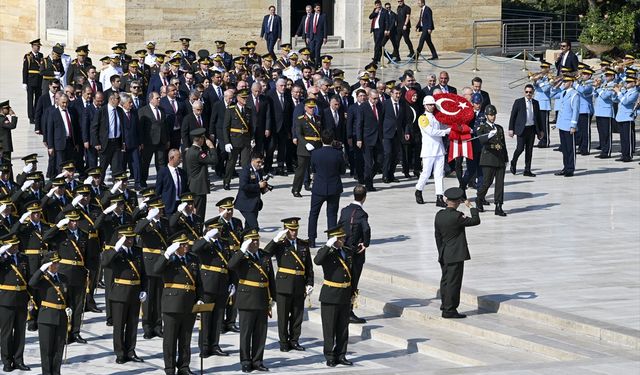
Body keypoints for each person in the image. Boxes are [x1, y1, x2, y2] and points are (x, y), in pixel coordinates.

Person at [155, 231, 203, 375]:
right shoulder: (167, 259)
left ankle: (184, 366)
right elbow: (156, 270)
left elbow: (199, 281)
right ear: (175, 246)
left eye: (186, 244)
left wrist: (200, 297)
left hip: (189, 303)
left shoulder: (193, 259)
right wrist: (166, 254)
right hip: (172, 304)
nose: (186, 246)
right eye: (182, 244)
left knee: (185, 338)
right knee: (170, 339)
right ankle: (169, 368)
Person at [228, 228, 276, 373]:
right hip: (247, 299)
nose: (255, 242)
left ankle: (257, 360)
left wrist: (273, 296)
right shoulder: (241, 257)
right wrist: (242, 251)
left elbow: (270, 278)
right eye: (252, 240)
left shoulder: (264, 255)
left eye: (257, 239)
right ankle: (245, 361)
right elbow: (230, 266)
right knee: (246, 332)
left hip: (262, 298)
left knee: (260, 333)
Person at [263, 217, 314, 352]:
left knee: (297, 316)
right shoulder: (280, 244)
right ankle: (284, 342)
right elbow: (266, 254)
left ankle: (294, 340)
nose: (294, 232)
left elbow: (308, 266)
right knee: (284, 316)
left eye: (295, 229)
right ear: (286, 230)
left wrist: (310, 282)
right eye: (291, 230)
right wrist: (275, 240)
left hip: (299, 284)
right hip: (284, 285)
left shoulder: (303, 244)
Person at [101, 225, 146, 364]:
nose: (130, 240)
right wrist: (115, 248)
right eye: (127, 238)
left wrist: (144, 289)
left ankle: (131, 351)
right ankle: (120, 353)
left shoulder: (138, 251)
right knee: (119, 326)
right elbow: (104, 263)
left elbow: (143, 272)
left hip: (135, 293)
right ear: (120, 238)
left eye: (131, 237)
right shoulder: (115, 253)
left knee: (132, 325)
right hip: (120, 293)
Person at [434, 187, 480, 319]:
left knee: (445, 281)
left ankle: (445, 304)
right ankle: (450, 309)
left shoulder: (439, 215)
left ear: (446, 200)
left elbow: (437, 236)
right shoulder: (457, 216)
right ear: (459, 201)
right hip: (455, 255)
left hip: (444, 253)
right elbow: (475, 220)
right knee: (454, 282)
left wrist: (441, 251)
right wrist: (471, 207)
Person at [314, 225, 354, 367]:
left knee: (343, 328)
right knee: (329, 327)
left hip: (344, 294)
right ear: (334, 239)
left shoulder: (347, 252)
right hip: (330, 295)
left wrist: (352, 292)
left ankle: (341, 354)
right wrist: (327, 246)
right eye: (340, 238)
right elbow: (317, 261)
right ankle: (330, 355)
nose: (343, 239)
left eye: (343, 237)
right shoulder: (327, 253)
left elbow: (351, 274)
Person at [191, 220, 231, 357]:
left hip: (222, 284)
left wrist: (232, 282)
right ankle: (204, 346)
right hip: (207, 286)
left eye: (219, 230)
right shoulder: (203, 243)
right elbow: (195, 250)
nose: (218, 232)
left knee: (218, 317)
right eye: (215, 230)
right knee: (206, 318)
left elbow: (229, 264)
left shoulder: (224, 243)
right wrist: (207, 237)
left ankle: (215, 345)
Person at [28, 251, 70, 375]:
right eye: (54, 263)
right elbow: (31, 283)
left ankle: (56, 372)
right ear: (47, 265)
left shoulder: (63, 278)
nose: (57, 266)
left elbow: (69, 297)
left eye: (57, 263)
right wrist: (41, 269)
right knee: (46, 350)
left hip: (61, 317)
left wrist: (69, 307)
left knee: (58, 348)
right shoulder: (42, 279)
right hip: (46, 317)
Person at [135, 198, 169, 340]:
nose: (159, 212)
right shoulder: (144, 223)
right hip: (148, 263)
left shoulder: (165, 223)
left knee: (159, 297)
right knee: (148, 298)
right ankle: (147, 326)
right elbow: (137, 230)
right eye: (156, 209)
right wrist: (148, 217)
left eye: (160, 209)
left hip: (161, 263)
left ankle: (158, 325)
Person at [337, 185, 371, 324]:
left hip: (344, 250)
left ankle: (342, 309)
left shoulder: (345, 210)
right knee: (353, 281)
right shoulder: (362, 214)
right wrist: (366, 243)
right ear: (364, 197)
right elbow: (366, 229)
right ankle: (349, 310)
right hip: (355, 253)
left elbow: (339, 226)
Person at [308, 129, 345, 248]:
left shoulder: (315, 153)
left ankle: (312, 239)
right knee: (332, 214)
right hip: (334, 187)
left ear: (321, 140)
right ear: (332, 140)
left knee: (314, 213)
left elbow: (313, 169)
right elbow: (343, 171)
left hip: (319, 187)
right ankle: (332, 239)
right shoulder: (338, 154)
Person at [0, 234, 31, 372]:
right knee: (6, 333)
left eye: (17, 244)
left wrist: (31, 297)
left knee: (20, 332)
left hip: (21, 298)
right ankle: (7, 361)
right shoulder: (2, 260)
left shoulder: (23, 258)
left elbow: (28, 278)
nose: (16, 247)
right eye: (13, 245)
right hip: (6, 299)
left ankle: (19, 360)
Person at [414, 95, 450, 206]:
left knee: (439, 174)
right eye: (430, 104)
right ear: (425, 105)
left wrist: (451, 126)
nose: (432, 106)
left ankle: (439, 197)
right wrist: (447, 131)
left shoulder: (436, 117)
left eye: (433, 104)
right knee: (426, 173)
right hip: (428, 150)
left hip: (439, 149)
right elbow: (431, 132)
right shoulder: (423, 118)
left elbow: (441, 127)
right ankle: (418, 190)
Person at [475, 105, 508, 216]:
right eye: (490, 115)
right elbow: (481, 140)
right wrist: (489, 135)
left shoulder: (499, 128)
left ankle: (498, 206)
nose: (492, 117)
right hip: (488, 159)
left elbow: (503, 145)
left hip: (499, 159)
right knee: (486, 183)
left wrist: (506, 158)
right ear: (486, 116)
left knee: (500, 184)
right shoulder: (482, 127)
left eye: (494, 115)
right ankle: (479, 199)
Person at [508, 84, 543, 177]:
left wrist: (541, 130)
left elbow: (539, 118)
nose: (528, 94)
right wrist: (511, 129)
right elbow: (513, 116)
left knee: (529, 150)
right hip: (521, 129)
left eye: (530, 92)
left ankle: (527, 169)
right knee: (520, 148)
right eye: (527, 92)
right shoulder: (518, 102)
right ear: (524, 92)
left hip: (531, 129)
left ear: (533, 93)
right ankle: (513, 161)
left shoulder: (535, 103)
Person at [223, 88, 253, 190]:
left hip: (245, 140)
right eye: (243, 98)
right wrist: (227, 142)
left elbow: (251, 126)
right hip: (234, 140)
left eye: (246, 98)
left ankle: (244, 182)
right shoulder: (231, 110)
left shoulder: (249, 110)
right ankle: (227, 181)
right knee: (231, 163)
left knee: (245, 164)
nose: (245, 100)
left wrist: (252, 138)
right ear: (238, 98)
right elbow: (225, 127)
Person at [292, 99, 322, 197]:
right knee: (301, 170)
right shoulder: (300, 119)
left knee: (317, 169)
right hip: (304, 148)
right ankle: (296, 189)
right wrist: (306, 144)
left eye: (313, 107)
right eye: (310, 107)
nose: (312, 109)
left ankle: (316, 187)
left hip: (317, 146)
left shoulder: (318, 118)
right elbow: (299, 134)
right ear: (305, 108)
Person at [91, 91, 125, 179]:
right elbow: (94, 128)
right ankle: (99, 185)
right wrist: (96, 142)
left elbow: (122, 127)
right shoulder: (101, 111)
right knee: (103, 167)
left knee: (117, 167)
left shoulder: (120, 110)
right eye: (118, 98)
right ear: (111, 99)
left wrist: (123, 142)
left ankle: (116, 187)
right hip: (105, 143)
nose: (119, 100)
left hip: (117, 143)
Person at [184, 128, 217, 217]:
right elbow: (214, 160)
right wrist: (211, 147)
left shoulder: (189, 151)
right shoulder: (198, 153)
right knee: (199, 214)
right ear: (201, 139)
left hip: (193, 186)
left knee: (194, 212)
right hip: (199, 188)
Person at [139, 91, 169, 188]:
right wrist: (141, 142)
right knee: (145, 162)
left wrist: (167, 140)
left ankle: (161, 181)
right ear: (151, 99)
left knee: (161, 163)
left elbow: (165, 126)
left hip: (161, 141)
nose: (159, 99)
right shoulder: (143, 111)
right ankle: (143, 181)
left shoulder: (162, 110)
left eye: (159, 98)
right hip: (149, 142)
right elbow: (141, 128)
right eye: (157, 98)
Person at [552, 76, 579, 177]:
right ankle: (565, 167)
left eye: (566, 81)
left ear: (571, 82)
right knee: (564, 148)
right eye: (563, 81)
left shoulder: (574, 94)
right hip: (562, 124)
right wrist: (557, 84)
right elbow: (552, 93)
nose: (564, 83)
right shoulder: (563, 92)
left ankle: (570, 169)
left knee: (570, 148)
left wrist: (573, 125)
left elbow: (575, 111)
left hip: (568, 125)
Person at [356, 89, 383, 191]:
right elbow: (359, 124)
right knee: (368, 163)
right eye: (374, 98)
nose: (376, 100)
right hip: (367, 138)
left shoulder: (380, 106)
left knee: (380, 160)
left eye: (377, 98)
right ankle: (368, 185)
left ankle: (368, 178)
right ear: (369, 97)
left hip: (378, 138)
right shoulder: (363, 107)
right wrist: (359, 139)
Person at [234, 151, 269, 230]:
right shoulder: (245, 171)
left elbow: (259, 183)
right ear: (252, 160)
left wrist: (264, 186)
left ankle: (243, 240)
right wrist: (258, 186)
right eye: (258, 162)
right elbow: (243, 186)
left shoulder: (259, 171)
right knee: (254, 227)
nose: (260, 164)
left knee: (248, 228)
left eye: (261, 162)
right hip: (246, 204)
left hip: (254, 204)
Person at [155, 149, 188, 214]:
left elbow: (186, 189)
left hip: (181, 206)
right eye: (179, 157)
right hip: (168, 207)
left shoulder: (182, 172)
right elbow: (158, 190)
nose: (181, 160)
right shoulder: (162, 172)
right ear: (171, 158)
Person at [593, 69, 617, 158]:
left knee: (606, 133)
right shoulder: (604, 85)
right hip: (599, 111)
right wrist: (596, 88)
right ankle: (603, 150)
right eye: (605, 75)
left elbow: (605, 96)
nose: (606, 77)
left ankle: (607, 151)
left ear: (612, 76)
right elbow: (594, 94)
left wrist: (599, 88)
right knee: (601, 133)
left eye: (608, 75)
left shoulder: (613, 85)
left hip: (606, 112)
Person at [613, 77, 638, 162]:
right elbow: (615, 100)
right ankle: (624, 155)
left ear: (634, 83)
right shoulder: (624, 91)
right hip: (621, 117)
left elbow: (626, 102)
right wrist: (615, 92)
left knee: (628, 138)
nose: (626, 83)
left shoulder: (635, 92)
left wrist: (619, 92)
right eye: (626, 81)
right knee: (623, 138)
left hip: (628, 117)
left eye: (629, 82)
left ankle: (628, 155)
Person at [23, 39, 44, 124]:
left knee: (38, 99)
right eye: (36, 46)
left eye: (39, 46)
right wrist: (24, 82)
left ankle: (36, 115)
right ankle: (31, 117)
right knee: (30, 99)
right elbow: (25, 70)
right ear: (32, 46)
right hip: (30, 80)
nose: (38, 48)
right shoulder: (27, 56)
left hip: (39, 80)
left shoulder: (41, 55)